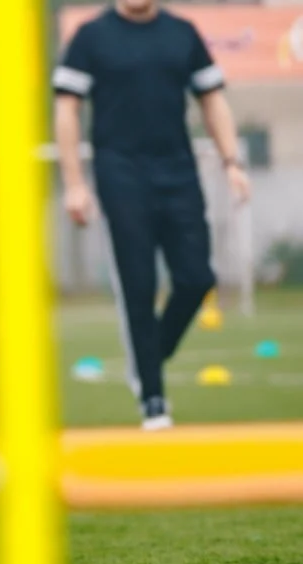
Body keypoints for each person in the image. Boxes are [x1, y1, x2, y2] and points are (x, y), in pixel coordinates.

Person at [55, 0, 250, 431]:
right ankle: (154, 401)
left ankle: (149, 358)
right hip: (120, 173)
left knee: (198, 278)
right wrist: (74, 183)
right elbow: (67, 109)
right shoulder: (91, 37)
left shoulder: (182, 33)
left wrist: (231, 162)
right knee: (138, 285)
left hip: (178, 172)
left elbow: (212, 99)